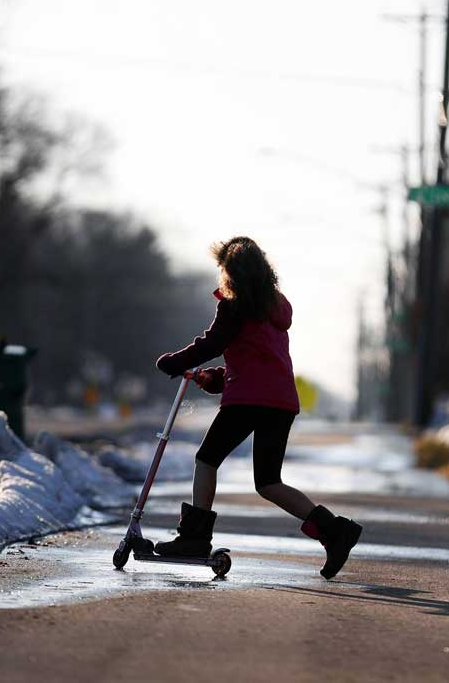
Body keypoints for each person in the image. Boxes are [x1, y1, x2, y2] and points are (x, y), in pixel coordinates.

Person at [154, 236, 363, 579]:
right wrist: (218, 378)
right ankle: (335, 531)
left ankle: (194, 538)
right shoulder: (273, 307)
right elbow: (259, 362)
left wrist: (174, 362)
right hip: (280, 401)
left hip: (250, 400)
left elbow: (214, 342)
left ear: (231, 271)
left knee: (206, 460)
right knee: (268, 481)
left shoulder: (236, 305)